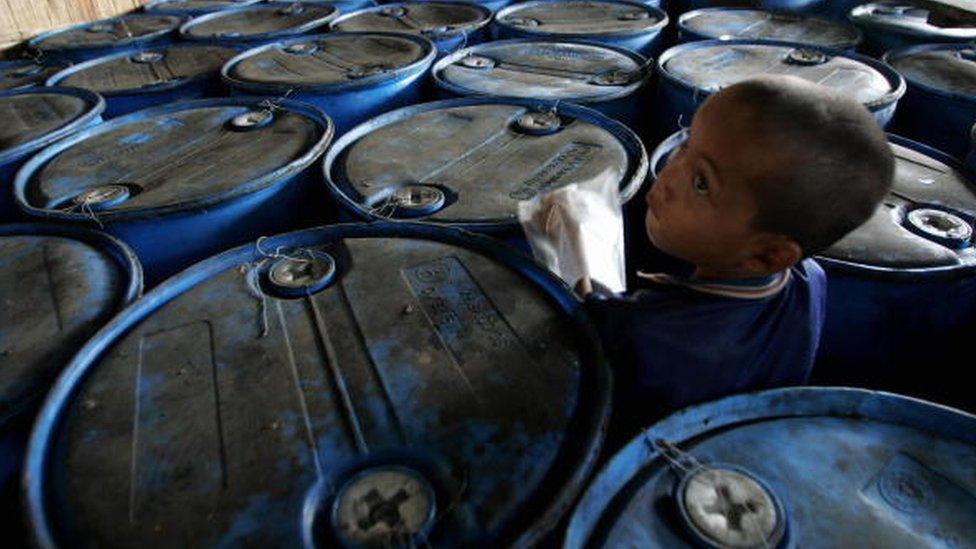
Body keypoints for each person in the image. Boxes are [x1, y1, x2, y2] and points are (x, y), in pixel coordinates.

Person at [576, 75, 894, 427]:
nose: (668, 174)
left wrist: (588, 299)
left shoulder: (646, 333)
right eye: (686, 143)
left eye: (701, 183)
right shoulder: (811, 277)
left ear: (767, 255)